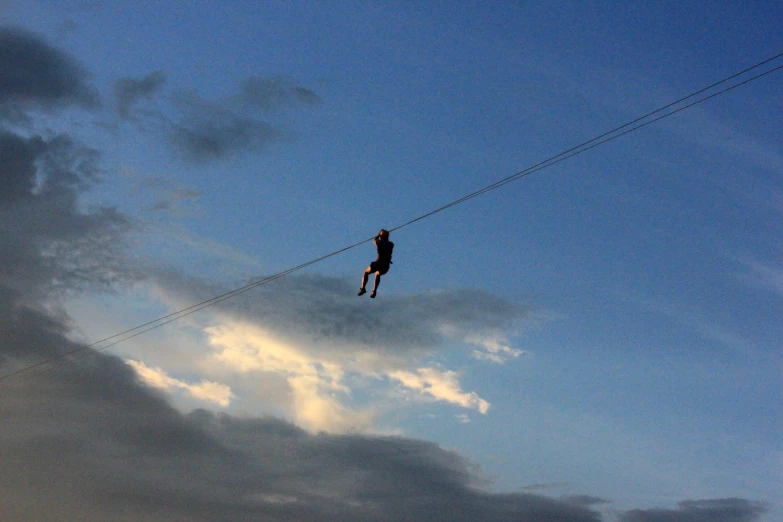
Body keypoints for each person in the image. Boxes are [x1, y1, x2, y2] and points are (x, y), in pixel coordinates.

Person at [358, 229, 394, 298]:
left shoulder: (379, 242)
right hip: (386, 265)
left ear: (381, 236)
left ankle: (363, 288)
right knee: (378, 274)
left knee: (366, 272)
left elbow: (374, 240)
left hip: (379, 263)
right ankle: (374, 291)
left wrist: (378, 235)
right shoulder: (391, 244)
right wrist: (382, 234)